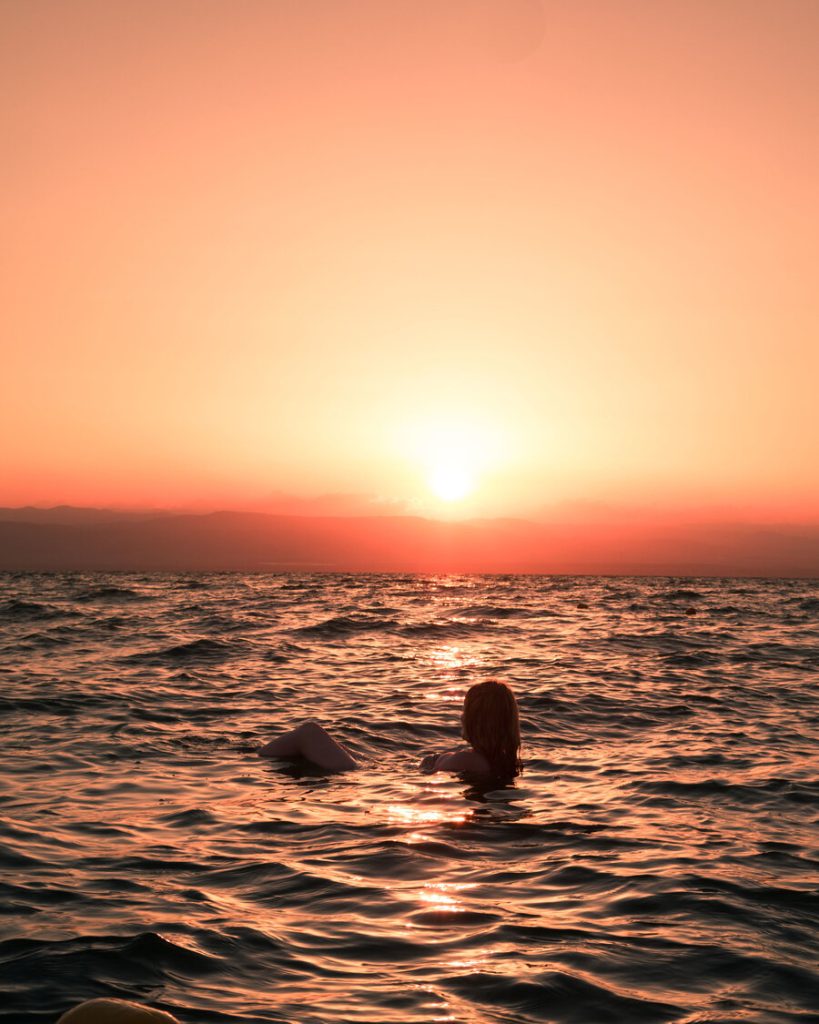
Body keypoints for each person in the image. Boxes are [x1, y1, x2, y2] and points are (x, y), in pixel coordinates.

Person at [258, 679, 523, 779]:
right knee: (337, 745)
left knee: (310, 731)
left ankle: (255, 758)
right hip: (382, 772)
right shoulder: (500, 761)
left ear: (477, 719)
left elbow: (428, 774)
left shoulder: (469, 759)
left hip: (370, 781)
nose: (461, 716)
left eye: (466, 710)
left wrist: (431, 762)